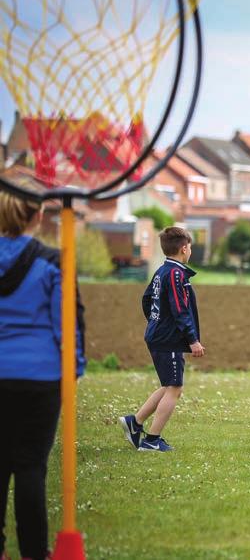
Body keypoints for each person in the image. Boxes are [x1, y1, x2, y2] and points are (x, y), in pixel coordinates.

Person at [0, 191, 85, 560]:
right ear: (37, 217)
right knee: (31, 466)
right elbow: (67, 326)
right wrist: (74, 369)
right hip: (41, 378)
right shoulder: (52, 261)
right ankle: (35, 553)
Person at [119, 227, 204, 452]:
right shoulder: (176, 273)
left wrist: (155, 322)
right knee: (175, 387)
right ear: (184, 248)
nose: (191, 250)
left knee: (168, 385)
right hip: (169, 339)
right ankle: (152, 440)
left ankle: (134, 422)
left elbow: (147, 299)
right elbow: (180, 309)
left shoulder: (162, 271)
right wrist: (192, 339)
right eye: (190, 247)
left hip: (158, 335)